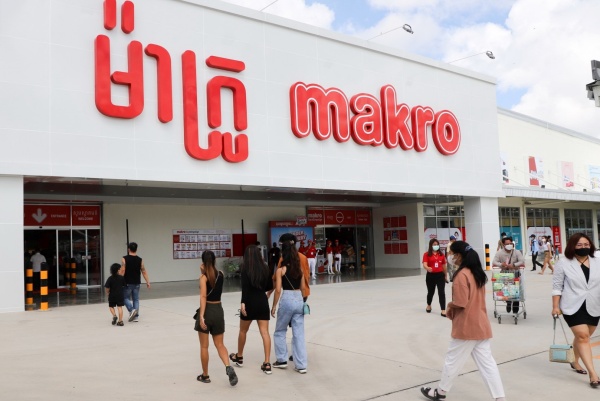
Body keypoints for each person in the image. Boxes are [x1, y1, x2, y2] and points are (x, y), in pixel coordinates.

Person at [420, 241, 506, 401]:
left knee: (452, 360)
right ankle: (500, 397)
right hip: (481, 324)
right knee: (488, 364)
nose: (450, 256)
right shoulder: (477, 273)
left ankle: (441, 392)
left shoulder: (461, 275)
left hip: (467, 326)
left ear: (459, 255)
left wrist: (449, 306)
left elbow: (461, 302)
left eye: (451, 253)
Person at [552, 233, 600, 388]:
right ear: (572, 246)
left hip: (594, 304)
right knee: (583, 336)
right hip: (572, 305)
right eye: (579, 245)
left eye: (586, 244)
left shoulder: (597, 261)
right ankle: (593, 374)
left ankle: (574, 360)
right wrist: (555, 306)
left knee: (582, 337)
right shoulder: (563, 263)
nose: (583, 247)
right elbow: (557, 286)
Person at [229, 245, 273, 375]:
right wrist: (266, 294)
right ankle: (267, 363)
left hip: (249, 302)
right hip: (262, 301)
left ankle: (239, 356)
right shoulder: (265, 268)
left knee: (243, 330)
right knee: (265, 332)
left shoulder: (245, 269)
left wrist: (243, 303)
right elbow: (270, 286)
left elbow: (245, 288)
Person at [195, 250, 238, 386]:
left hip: (207, 310)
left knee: (204, 346)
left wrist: (201, 316)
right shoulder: (221, 274)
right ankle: (228, 366)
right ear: (214, 260)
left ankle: (205, 375)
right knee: (220, 344)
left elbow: (203, 295)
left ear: (203, 261)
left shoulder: (203, 278)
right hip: (218, 310)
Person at [271, 233, 308, 373]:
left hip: (286, 298)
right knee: (299, 334)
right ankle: (301, 365)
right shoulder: (299, 269)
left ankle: (281, 360)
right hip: (299, 298)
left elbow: (278, 290)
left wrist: (274, 306)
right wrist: (302, 301)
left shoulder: (281, 270)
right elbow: (303, 288)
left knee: (280, 330)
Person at [492, 236, 525, 314]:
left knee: (516, 291)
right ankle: (508, 302)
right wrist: (501, 264)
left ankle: (515, 310)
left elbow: (522, 261)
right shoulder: (500, 253)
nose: (509, 245)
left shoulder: (517, 252)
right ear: (503, 245)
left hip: (515, 273)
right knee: (506, 291)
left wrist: (514, 265)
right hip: (504, 274)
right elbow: (494, 262)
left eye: (510, 243)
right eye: (507, 244)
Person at [121, 242, 151, 322]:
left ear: (128, 249)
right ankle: (136, 316)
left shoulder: (124, 258)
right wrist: (148, 281)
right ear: (136, 249)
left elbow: (123, 270)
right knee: (136, 299)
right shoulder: (140, 260)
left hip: (127, 282)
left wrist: (119, 280)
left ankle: (132, 311)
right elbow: (144, 271)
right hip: (137, 282)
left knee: (124, 298)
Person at [422, 239, 448, 316]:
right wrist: (427, 268)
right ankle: (429, 305)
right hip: (431, 276)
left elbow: (444, 266)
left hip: (440, 275)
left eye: (437, 244)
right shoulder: (426, 254)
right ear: (431, 245)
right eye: (434, 244)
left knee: (441, 292)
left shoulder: (441, 255)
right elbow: (424, 264)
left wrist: (445, 275)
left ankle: (443, 309)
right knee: (431, 292)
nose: (436, 246)